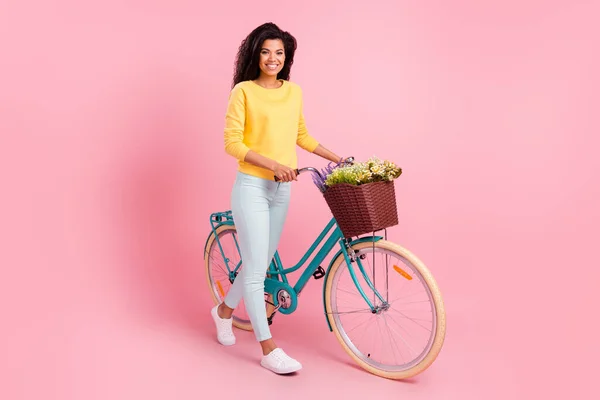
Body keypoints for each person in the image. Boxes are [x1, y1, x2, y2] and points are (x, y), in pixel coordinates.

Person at [210, 22, 345, 374]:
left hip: (282, 189)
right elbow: (232, 143)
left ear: (287, 57)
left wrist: (336, 158)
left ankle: (223, 311)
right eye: (266, 51)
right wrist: (273, 164)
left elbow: (301, 135)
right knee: (256, 271)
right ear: (256, 54)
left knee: (259, 262)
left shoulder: (293, 92)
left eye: (279, 52)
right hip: (252, 186)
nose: (273, 58)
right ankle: (269, 349)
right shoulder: (243, 91)